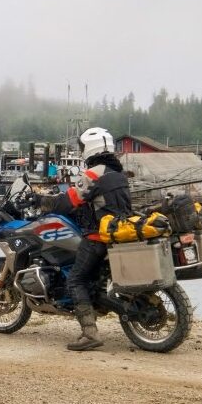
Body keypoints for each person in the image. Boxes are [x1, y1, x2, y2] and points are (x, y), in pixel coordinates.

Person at [39, 127, 131, 351]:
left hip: (97, 236)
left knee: (75, 280)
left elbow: (69, 201)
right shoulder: (117, 173)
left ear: (90, 149)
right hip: (119, 231)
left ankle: (89, 334)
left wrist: (43, 200)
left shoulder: (94, 173)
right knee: (93, 283)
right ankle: (99, 303)